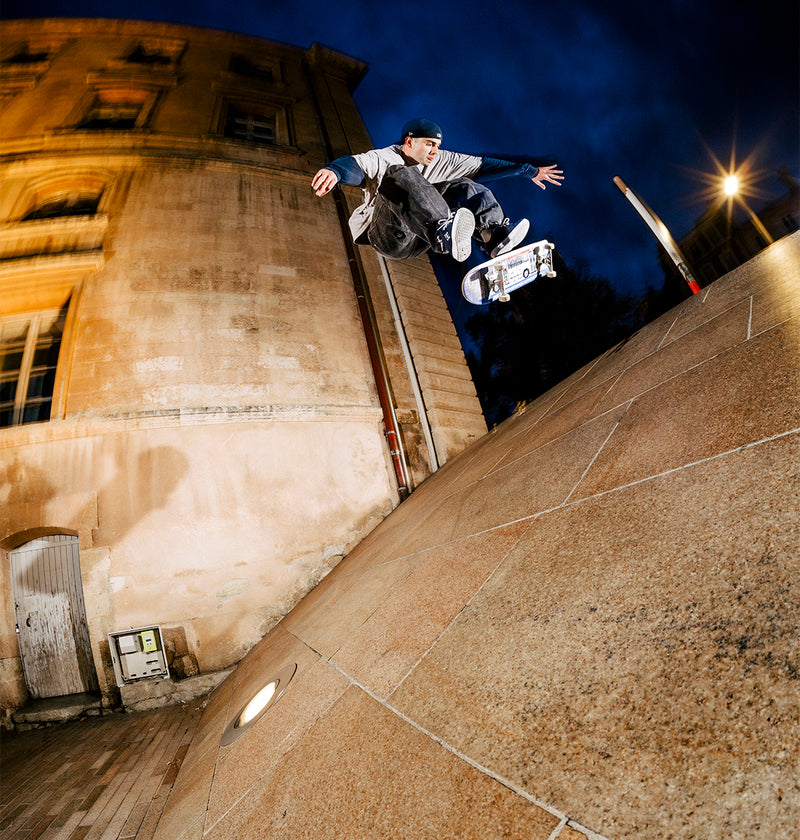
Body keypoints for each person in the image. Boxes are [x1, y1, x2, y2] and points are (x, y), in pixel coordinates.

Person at [311, 117, 564, 263]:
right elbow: (357, 165)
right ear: (409, 142)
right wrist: (335, 171)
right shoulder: (385, 157)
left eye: (438, 145)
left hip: (421, 238)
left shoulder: (441, 159)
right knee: (396, 174)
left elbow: (483, 165)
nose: (434, 152)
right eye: (429, 144)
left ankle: (493, 238)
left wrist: (529, 171)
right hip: (387, 235)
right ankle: (442, 230)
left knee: (464, 185)